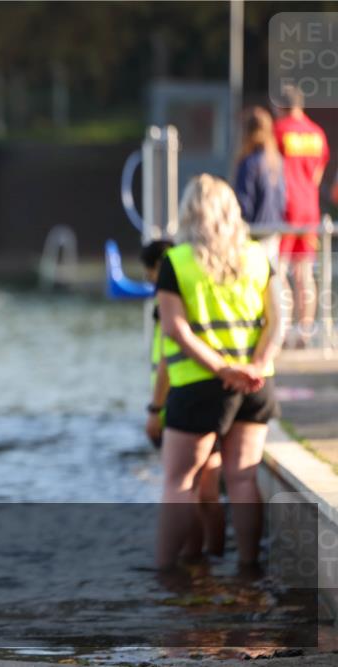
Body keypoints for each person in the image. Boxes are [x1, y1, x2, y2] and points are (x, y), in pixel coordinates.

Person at [154, 174, 282, 572]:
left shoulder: (177, 261)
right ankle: (247, 568)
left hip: (199, 385)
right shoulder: (259, 256)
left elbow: (175, 328)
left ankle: (164, 573)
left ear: (189, 212)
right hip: (256, 386)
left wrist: (223, 368)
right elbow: (277, 322)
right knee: (243, 480)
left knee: (180, 482)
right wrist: (256, 366)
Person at [142, 239, 225, 559]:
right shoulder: (201, 292)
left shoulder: (169, 303)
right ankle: (215, 557)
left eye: (150, 274)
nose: (150, 282)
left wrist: (155, 409)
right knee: (208, 492)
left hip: (182, 398)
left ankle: (188, 563)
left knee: (184, 488)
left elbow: (165, 360)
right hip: (214, 395)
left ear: (156, 270)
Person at [273, 85, 329, 347]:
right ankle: (305, 332)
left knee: (280, 270)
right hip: (310, 209)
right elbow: (317, 176)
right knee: (305, 273)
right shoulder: (317, 133)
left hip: (286, 210)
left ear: (279, 106)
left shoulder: (278, 131)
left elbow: (270, 170)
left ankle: (282, 331)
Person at [234, 106, 286, 268]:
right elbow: (282, 200)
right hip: (273, 232)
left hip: (254, 235)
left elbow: (244, 203)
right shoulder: (276, 161)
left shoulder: (249, 163)